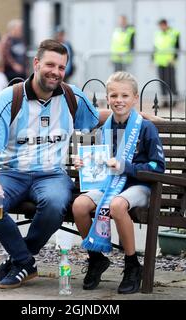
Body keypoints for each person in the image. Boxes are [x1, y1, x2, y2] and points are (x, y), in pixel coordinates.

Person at [0, 39, 111, 290]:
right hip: (11, 173)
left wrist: (140, 115)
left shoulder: (73, 97)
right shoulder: (9, 99)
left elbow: (95, 118)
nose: (56, 72)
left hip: (51, 175)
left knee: (55, 203)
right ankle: (24, 261)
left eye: (61, 67)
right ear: (36, 64)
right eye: (50, 64)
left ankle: (21, 259)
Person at [72, 71, 165, 294]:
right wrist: (83, 162)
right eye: (113, 95)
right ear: (107, 98)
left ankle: (132, 264)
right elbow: (99, 160)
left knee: (117, 206)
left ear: (135, 98)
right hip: (110, 185)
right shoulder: (104, 129)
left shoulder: (145, 128)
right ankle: (96, 258)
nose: (118, 100)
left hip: (139, 186)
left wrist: (126, 167)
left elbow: (158, 167)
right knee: (79, 206)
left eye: (124, 95)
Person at [153, 19, 180, 106]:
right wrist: (152, 59)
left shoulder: (174, 33)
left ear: (165, 24)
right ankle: (164, 101)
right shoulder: (158, 34)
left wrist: (175, 58)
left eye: (162, 25)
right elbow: (155, 47)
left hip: (169, 62)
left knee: (171, 82)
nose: (161, 27)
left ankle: (174, 99)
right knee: (162, 82)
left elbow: (177, 47)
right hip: (160, 62)